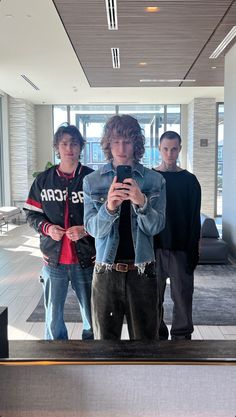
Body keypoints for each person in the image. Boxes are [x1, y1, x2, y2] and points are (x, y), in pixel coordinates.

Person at [83, 115, 166, 340]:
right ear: (108, 143)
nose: (121, 147)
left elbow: (156, 226)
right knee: (104, 345)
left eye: (127, 141)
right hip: (106, 271)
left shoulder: (154, 181)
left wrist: (142, 202)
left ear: (136, 144)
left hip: (143, 271)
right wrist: (109, 207)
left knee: (146, 343)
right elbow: (91, 229)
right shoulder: (93, 181)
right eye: (116, 141)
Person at [24, 124, 95, 340]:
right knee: (53, 316)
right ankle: (55, 355)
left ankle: (92, 352)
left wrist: (85, 229)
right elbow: (31, 213)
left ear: (81, 147)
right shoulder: (43, 180)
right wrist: (47, 228)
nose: (69, 148)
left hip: (86, 259)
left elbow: (106, 216)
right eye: (64, 143)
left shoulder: (92, 179)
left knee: (91, 315)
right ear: (57, 147)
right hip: (53, 260)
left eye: (74, 143)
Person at [153, 130, 201, 340]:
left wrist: (194, 252)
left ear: (180, 149)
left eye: (174, 149)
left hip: (181, 248)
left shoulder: (190, 181)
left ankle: (182, 340)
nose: (170, 153)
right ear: (159, 150)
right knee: (152, 299)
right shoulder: (151, 178)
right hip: (154, 248)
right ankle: (157, 335)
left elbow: (194, 219)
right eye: (166, 149)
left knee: (182, 298)